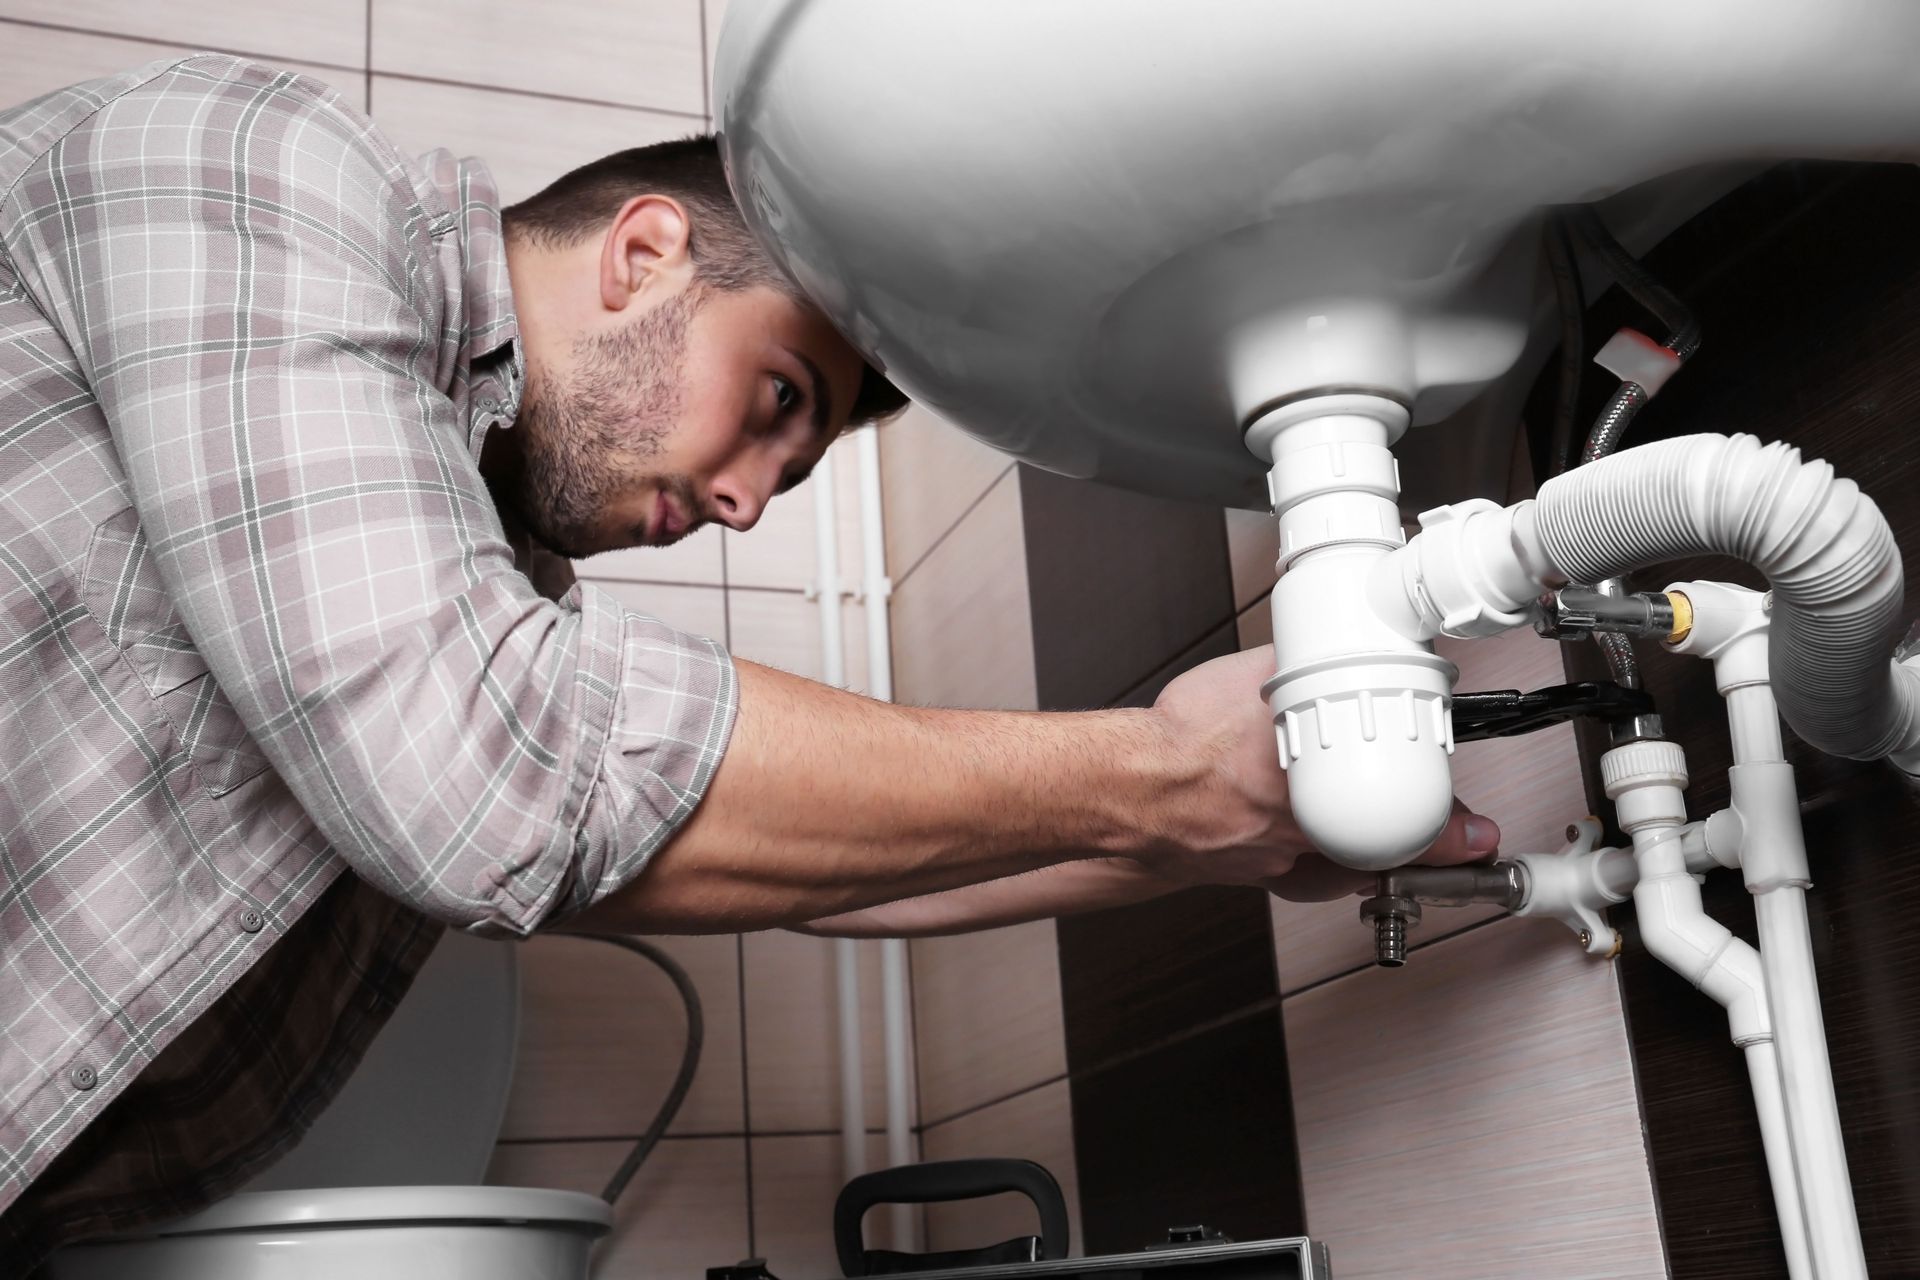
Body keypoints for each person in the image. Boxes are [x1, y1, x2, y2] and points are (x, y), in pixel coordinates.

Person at [0, 54, 1498, 1264]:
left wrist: (1209, 836)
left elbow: (813, 882)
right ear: (644, 253)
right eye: (776, 397)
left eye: (787, 471)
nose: (739, 500)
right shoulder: (262, 166)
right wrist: (1166, 778)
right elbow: (499, 781)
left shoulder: (462, 587)